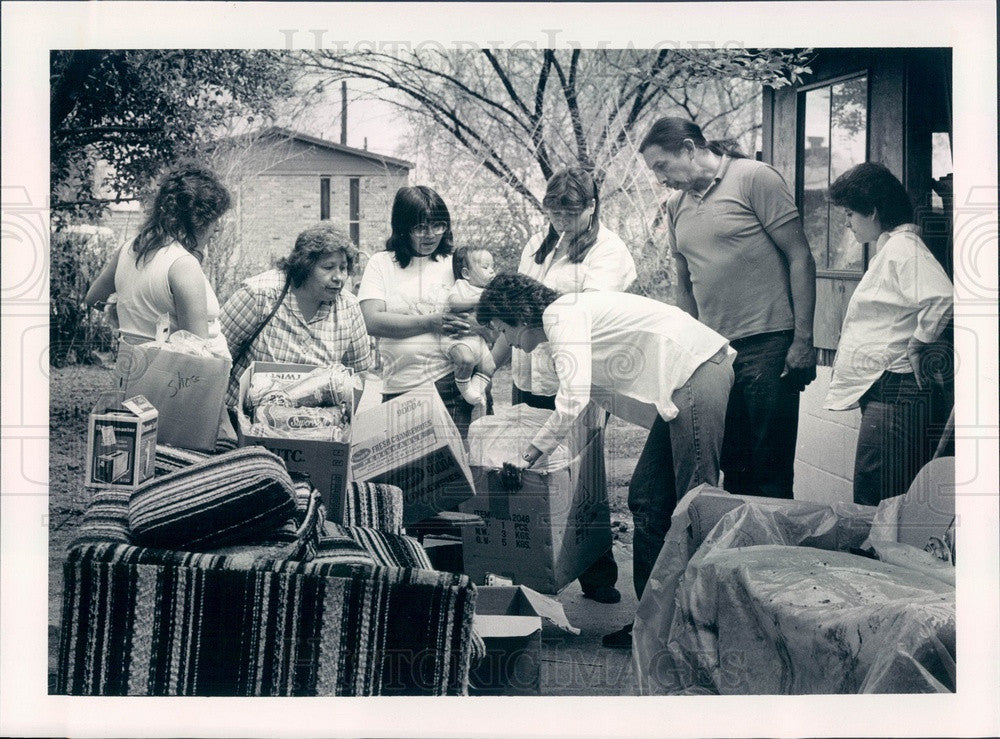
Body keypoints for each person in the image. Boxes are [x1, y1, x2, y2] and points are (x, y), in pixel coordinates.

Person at [478, 273, 734, 649]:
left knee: (695, 507)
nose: (511, 343)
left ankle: (702, 628)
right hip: (682, 384)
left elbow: (574, 396)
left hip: (696, 372)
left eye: (504, 330)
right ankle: (652, 624)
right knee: (647, 499)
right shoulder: (566, 319)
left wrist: (530, 454)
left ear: (519, 315)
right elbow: (590, 400)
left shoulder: (559, 315)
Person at [639, 116, 817, 499]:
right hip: (716, 354)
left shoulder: (755, 177)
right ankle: (734, 556)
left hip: (769, 346)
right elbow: (684, 284)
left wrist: (803, 339)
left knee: (769, 471)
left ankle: (773, 559)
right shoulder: (675, 207)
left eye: (661, 166)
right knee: (732, 468)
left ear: (688, 148)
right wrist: (686, 352)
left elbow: (800, 257)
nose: (660, 178)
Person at [491, 166, 638, 606]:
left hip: (575, 379)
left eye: (570, 214)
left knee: (582, 480)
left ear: (592, 206)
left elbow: (584, 313)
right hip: (529, 371)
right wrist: (490, 366)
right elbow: (518, 306)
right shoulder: (538, 246)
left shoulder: (609, 251)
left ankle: (596, 573)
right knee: (531, 477)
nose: (561, 222)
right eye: (553, 213)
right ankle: (532, 570)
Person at [825, 162, 953, 505]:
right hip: (886, 393)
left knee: (876, 496)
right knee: (877, 493)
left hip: (896, 393)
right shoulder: (891, 249)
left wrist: (919, 341)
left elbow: (941, 295)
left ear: (874, 212)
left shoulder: (903, 249)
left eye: (850, 214)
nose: (847, 223)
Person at [357, 185, 483, 438]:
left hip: (451, 384)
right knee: (404, 475)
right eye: (420, 228)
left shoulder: (456, 262)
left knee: (456, 471)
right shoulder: (382, 263)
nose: (430, 235)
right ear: (402, 227)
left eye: (438, 225)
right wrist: (430, 323)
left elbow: (486, 313)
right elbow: (371, 321)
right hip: (400, 388)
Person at [85, 161, 232, 357]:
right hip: (177, 382)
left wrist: (131, 313)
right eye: (215, 219)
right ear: (197, 220)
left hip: (136, 369)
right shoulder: (182, 264)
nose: (217, 228)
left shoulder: (129, 248)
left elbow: (93, 299)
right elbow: (197, 351)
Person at [220, 222, 374, 408]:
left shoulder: (349, 308)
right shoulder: (260, 294)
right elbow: (217, 358)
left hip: (312, 427)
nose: (338, 277)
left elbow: (358, 375)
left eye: (343, 268)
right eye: (328, 267)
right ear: (304, 266)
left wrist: (343, 425)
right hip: (242, 424)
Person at [442, 246, 497, 413]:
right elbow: (454, 303)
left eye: (492, 267)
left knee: (489, 366)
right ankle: (466, 390)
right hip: (460, 339)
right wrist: (479, 301)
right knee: (466, 360)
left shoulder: (490, 292)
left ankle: (476, 392)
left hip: (479, 341)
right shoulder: (462, 286)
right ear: (466, 274)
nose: (492, 272)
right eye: (486, 267)